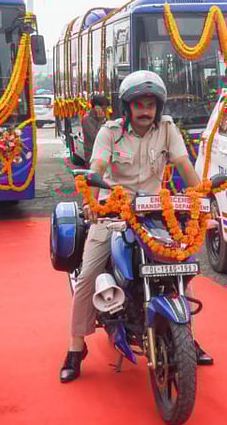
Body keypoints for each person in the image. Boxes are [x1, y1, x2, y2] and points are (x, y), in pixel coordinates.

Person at [60, 70, 211, 383]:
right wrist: (91, 202)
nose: (146, 110)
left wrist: (203, 201)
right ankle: (76, 346)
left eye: (151, 104)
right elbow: (98, 167)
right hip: (113, 214)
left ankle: (187, 336)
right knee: (88, 272)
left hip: (155, 213)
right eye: (139, 104)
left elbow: (185, 166)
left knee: (181, 265)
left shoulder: (167, 129)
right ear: (127, 107)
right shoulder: (109, 132)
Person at [81, 93, 110, 163]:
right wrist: (101, 121)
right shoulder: (87, 119)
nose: (105, 110)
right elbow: (96, 137)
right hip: (92, 156)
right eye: (104, 108)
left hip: (104, 155)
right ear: (96, 107)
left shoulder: (104, 117)